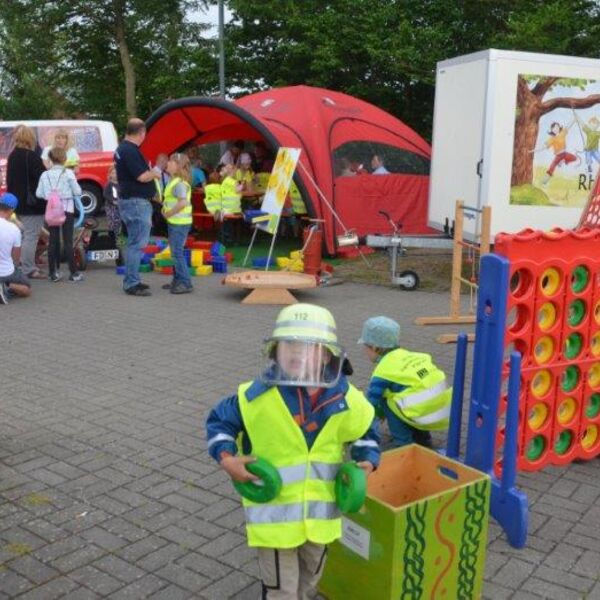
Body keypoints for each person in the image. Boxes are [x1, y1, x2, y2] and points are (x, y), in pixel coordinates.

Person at [206, 304, 380, 600]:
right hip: (275, 519)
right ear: (275, 350)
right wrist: (226, 458)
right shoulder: (255, 396)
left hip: (321, 518)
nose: (298, 352)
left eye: (309, 346)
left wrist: (367, 461)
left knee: (311, 579)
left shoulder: (346, 398)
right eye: (289, 344)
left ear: (327, 354)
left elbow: (365, 429)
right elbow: (219, 421)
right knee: (281, 590)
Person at [358, 316, 452, 448]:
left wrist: (361, 427)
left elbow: (371, 404)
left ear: (374, 347)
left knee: (387, 400)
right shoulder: (410, 355)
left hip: (423, 413)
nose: (365, 352)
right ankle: (423, 438)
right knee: (408, 392)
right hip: (443, 410)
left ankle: (404, 443)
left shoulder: (383, 371)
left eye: (365, 348)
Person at [114, 118, 160, 296]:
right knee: (136, 244)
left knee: (134, 242)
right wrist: (154, 173)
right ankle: (132, 283)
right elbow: (141, 176)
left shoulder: (122, 149)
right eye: (144, 134)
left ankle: (133, 279)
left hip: (130, 200)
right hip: (136, 202)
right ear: (141, 132)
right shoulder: (130, 150)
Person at [36, 147, 84, 283]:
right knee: (68, 241)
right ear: (64, 159)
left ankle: (53, 273)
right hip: (67, 209)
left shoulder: (44, 175)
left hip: (52, 211)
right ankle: (74, 273)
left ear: (50, 159)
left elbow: (39, 194)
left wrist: (51, 195)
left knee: (53, 241)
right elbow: (78, 191)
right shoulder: (68, 173)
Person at [6, 124, 47, 279]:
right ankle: (28, 269)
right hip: (33, 204)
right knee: (31, 235)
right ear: (31, 138)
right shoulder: (32, 156)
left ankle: (19, 265)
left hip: (17, 203)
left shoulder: (13, 155)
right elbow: (43, 178)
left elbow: (10, 181)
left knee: (24, 235)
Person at [161, 152, 193, 294]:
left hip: (179, 222)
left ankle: (185, 282)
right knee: (175, 252)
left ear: (177, 165)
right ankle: (178, 279)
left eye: (170, 162)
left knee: (177, 253)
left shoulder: (179, 183)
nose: (167, 163)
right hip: (176, 222)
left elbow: (182, 203)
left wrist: (168, 213)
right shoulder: (173, 180)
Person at [0, 193, 32, 304]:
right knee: (27, 288)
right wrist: (16, 267)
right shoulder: (14, 229)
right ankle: (6, 285)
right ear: (12, 209)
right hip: (6, 271)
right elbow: (16, 257)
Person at [540, 121, 576, 185]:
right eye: (554, 128)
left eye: (557, 127)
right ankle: (545, 180)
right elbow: (545, 145)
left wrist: (574, 120)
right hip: (558, 155)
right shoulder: (552, 138)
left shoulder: (562, 133)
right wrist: (537, 149)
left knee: (574, 158)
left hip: (564, 154)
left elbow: (568, 126)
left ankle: (563, 161)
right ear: (552, 130)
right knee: (552, 166)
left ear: (559, 128)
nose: (556, 129)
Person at [103, 165, 123, 266]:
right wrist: (113, 201)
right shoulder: (109, 185)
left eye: (117, 173)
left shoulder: (121, 184)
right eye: (113, 173)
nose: (115, 175)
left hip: (120, 207)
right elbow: (106, 195)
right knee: (113, 224)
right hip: (112, 208)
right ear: (110, 175)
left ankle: (120, 242)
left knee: (121, 224)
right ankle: (113, 240)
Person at [219, 163, 243, 245]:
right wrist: (242, 184)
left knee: (228, 222)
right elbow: (238, 190)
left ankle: (227, 235)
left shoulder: (224, 181)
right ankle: (234, 239)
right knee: (239, 218)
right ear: (233, 171)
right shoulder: (233, 181)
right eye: (236, 171)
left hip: (225, 207)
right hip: (233, 208)